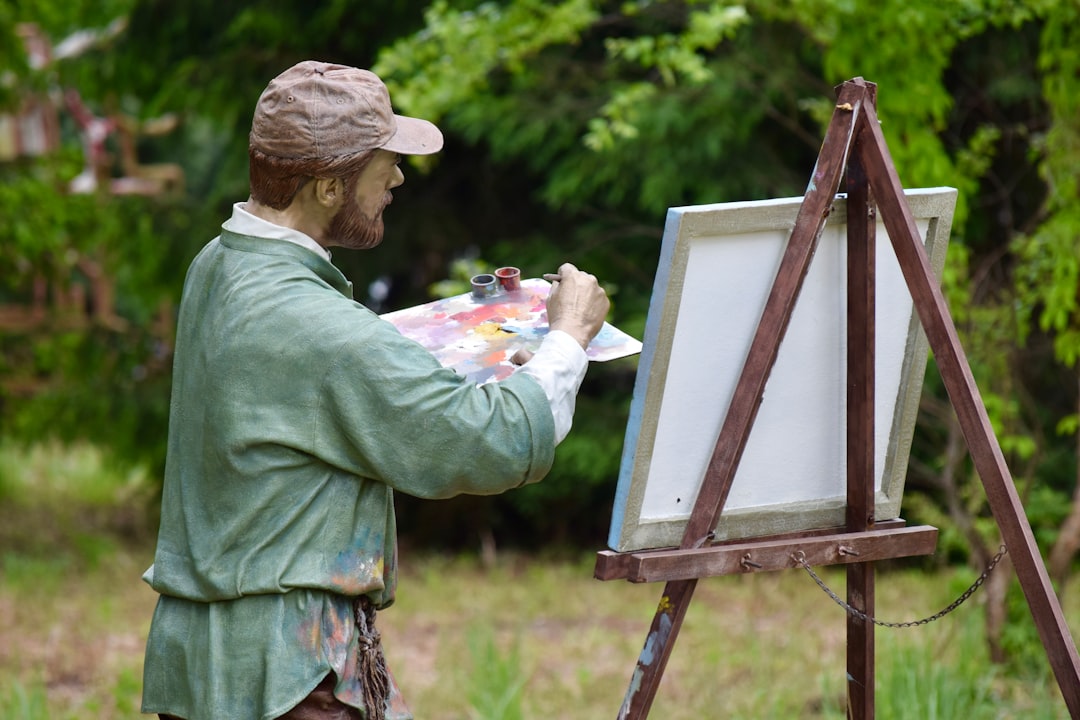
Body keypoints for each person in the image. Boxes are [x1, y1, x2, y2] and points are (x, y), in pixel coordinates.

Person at [140, 60, 610, 720]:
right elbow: (496, 442)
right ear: (330, 187)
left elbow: (307, 391)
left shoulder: (220, 265)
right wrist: (566, 339)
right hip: (289, 680)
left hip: (208, 667)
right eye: (381, 161)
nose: (397, 177)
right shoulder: (316, 325)